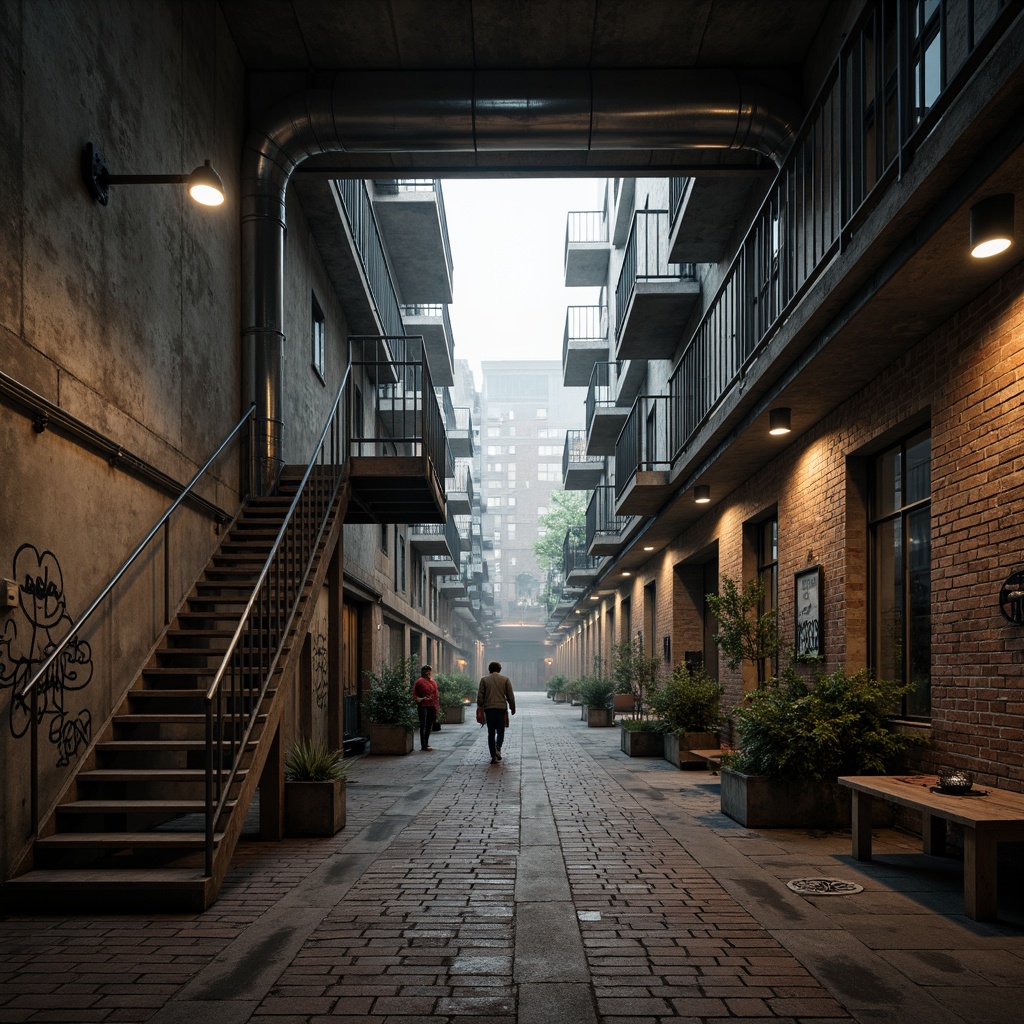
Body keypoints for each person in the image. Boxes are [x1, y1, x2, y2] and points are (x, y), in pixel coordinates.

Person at [477, 661, 515, 764]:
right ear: (499, 669)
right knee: (501, 730)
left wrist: (479, 707)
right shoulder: (505, 679)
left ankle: (493, 755)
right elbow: (510, 695)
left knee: (491, 732)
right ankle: (498, 748)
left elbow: (480, 695)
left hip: (489, 709)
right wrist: (512, 707)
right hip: (501, 708)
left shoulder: (484, 680)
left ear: (489, 669)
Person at [412, 665, 439, 752]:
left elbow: (436, 693)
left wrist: (436, 703)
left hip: (431, 705)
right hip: (423, 705)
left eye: (429, 671)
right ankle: (423, 745)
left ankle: (426, 743)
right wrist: (418, 699)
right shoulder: (419, 682)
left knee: (429, 725)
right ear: (422, 672)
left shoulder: (433, 682)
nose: (428, 672)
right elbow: (414, 694)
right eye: (426, 671)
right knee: (423, 725)